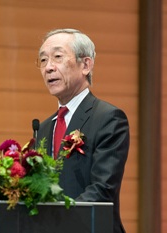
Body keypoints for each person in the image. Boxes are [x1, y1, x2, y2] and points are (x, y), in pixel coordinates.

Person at [35, 28, 129, 233]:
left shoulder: (108, 118)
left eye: (58, 57)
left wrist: (57, 220)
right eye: (43, 60)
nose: (48, 68)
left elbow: (102, 189)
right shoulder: (43, 128)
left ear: (86, 64)